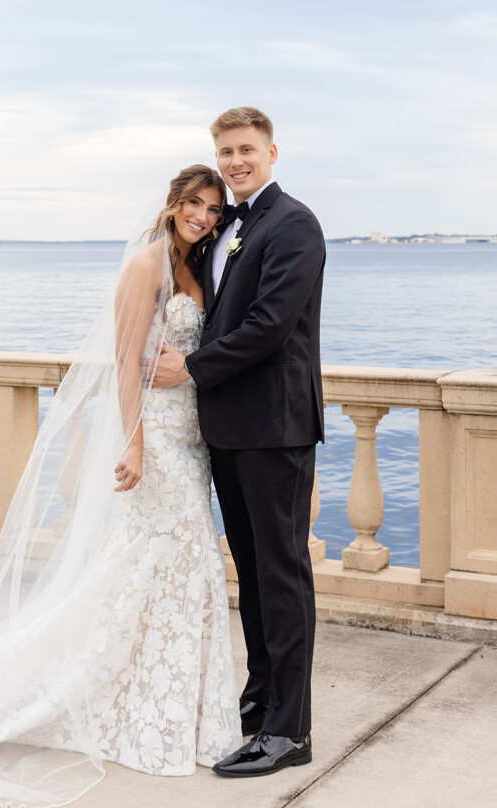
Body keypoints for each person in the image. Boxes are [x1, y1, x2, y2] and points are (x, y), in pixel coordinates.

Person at [0, 165, 242, 808]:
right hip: (155, 438)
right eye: (194, 203)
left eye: (213, 208)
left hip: (192, 440)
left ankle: (170, 704)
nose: (203, 216)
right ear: (174, 202)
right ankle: (127, 702)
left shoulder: (197, 267)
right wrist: (133, 443)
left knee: (176, 572)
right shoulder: (146, 265)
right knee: (169, 565)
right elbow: (125, 362)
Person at [152, 107, 325, 778]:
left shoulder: (293, 225)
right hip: (228, 429)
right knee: (251, 577)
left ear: (271, 151)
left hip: (275, 429)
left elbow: (269, 326)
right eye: (225, 151)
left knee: (283, 577)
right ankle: (259, 703)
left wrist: (190, 368)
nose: (234, 161)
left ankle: (290, 732)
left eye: (245, 149)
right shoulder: (228, 226)